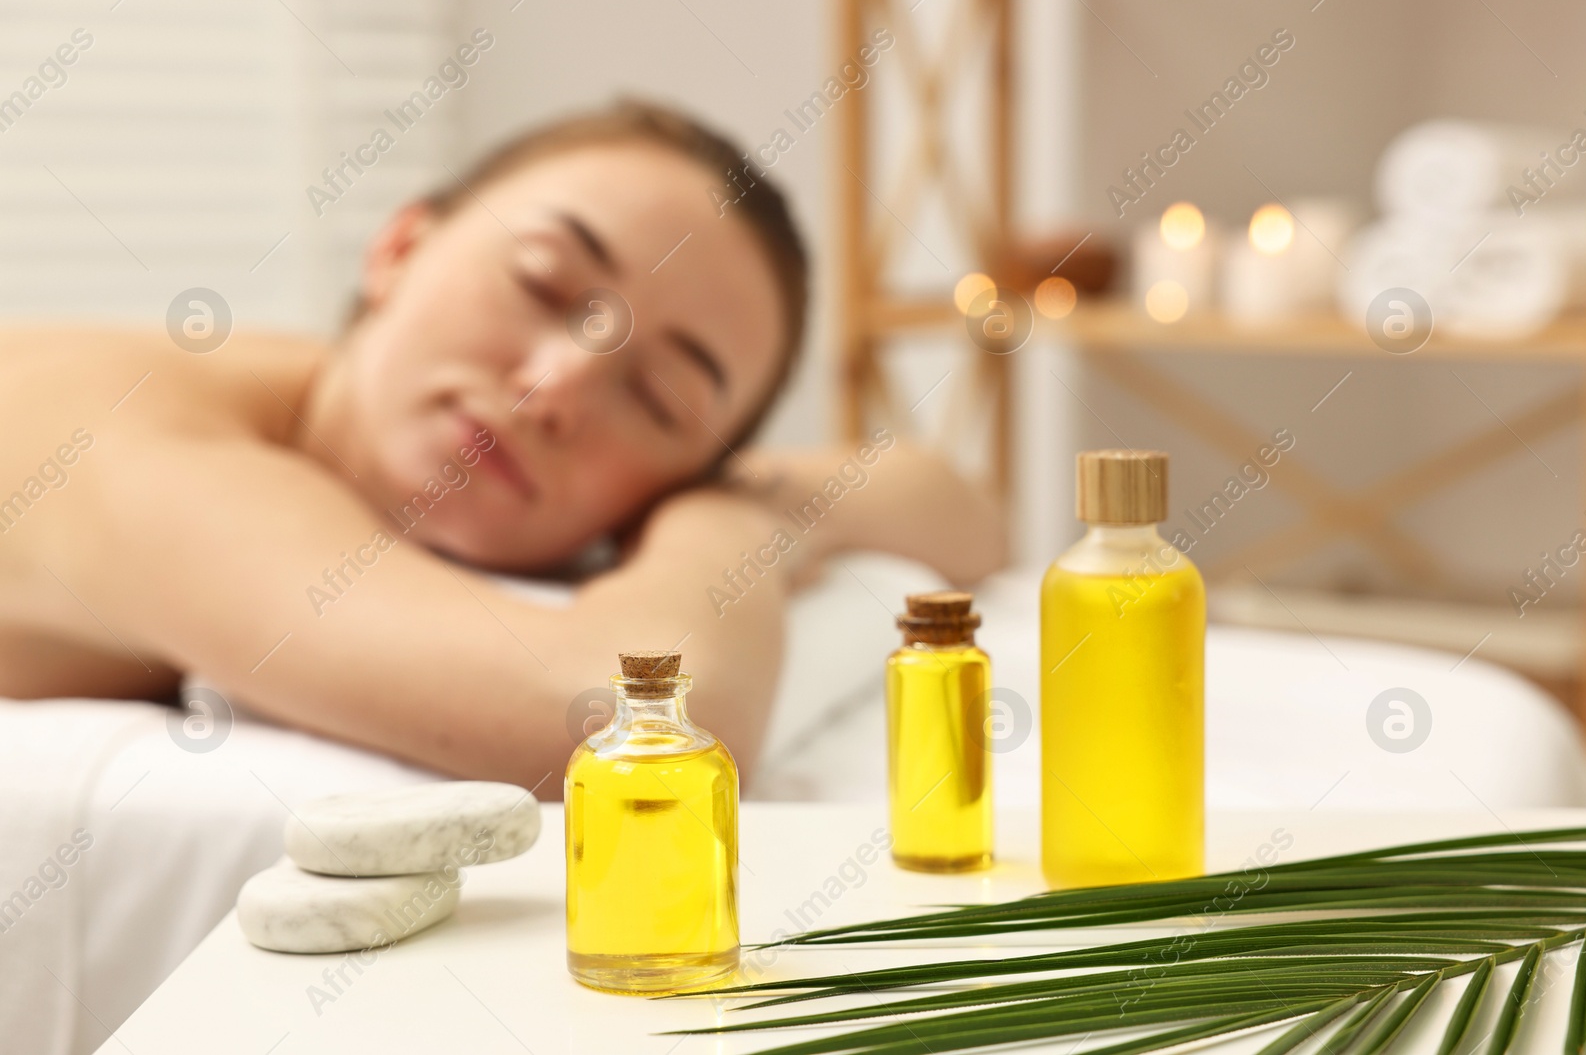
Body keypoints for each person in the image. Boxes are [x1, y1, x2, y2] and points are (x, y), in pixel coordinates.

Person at [0, 101, 1006, 793]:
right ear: (399, 249)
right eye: (541, 281)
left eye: (656, 399)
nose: (558, 384)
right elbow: (636, 718)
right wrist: (732, 525)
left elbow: (956, 511)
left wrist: (752, 502)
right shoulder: (131, 440)